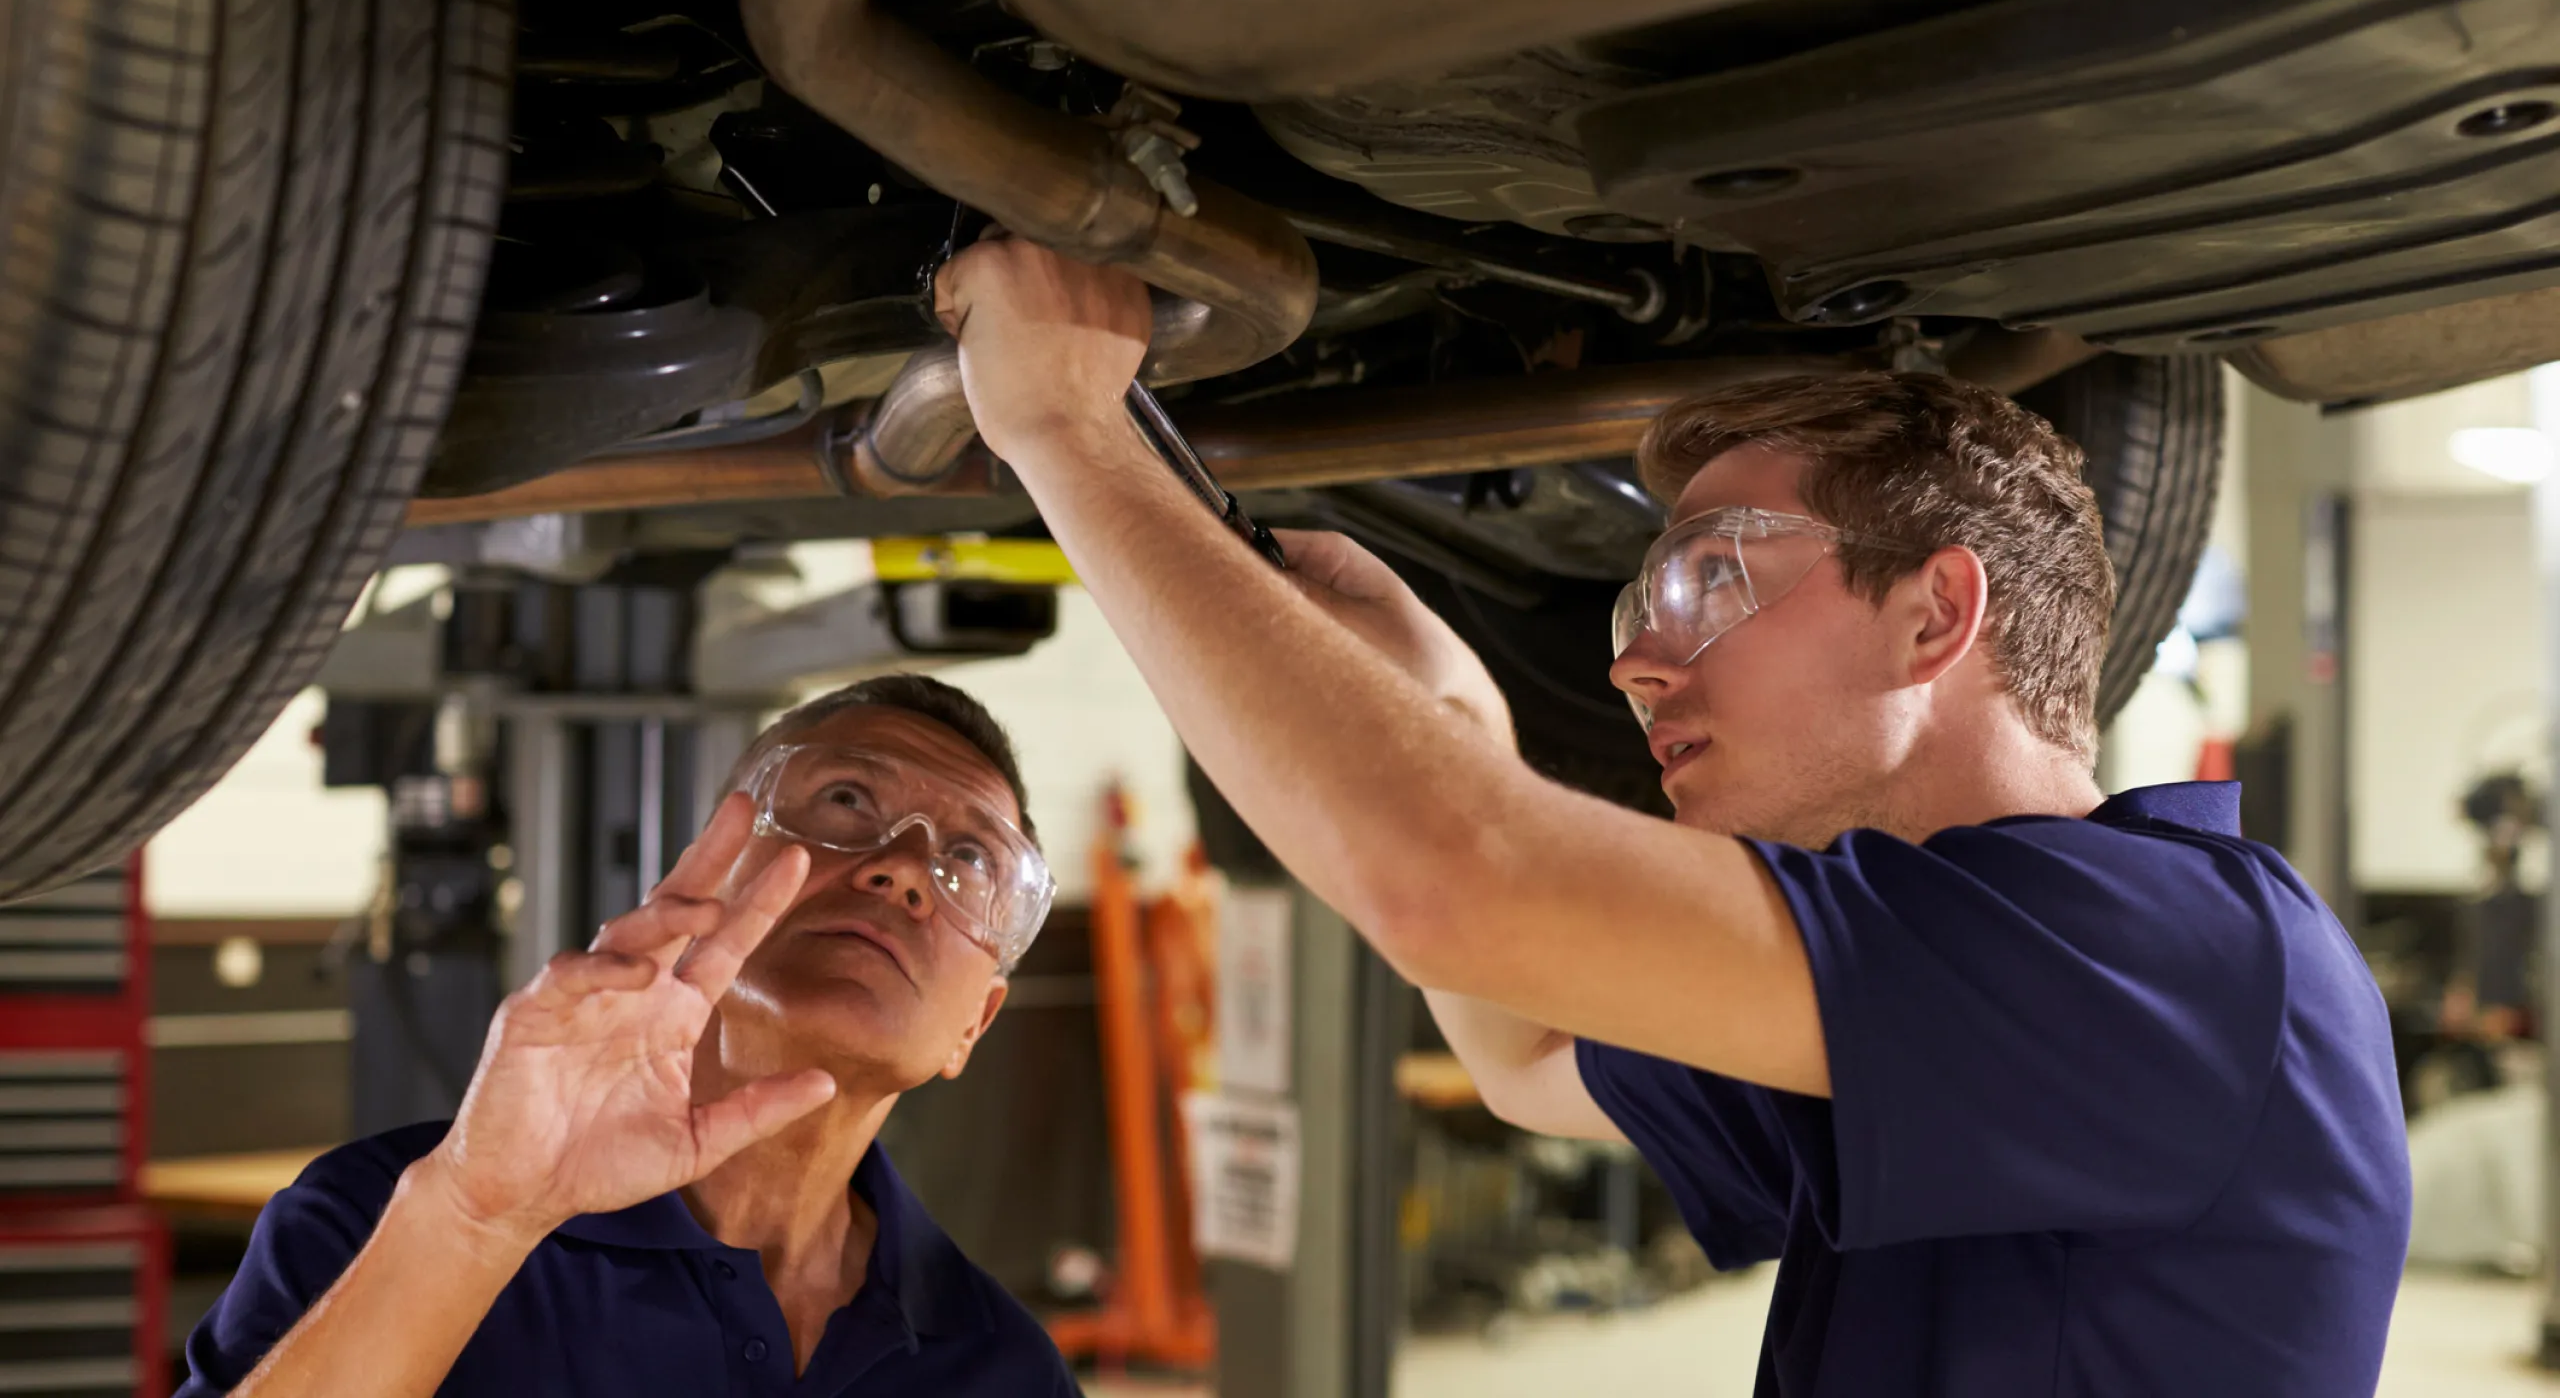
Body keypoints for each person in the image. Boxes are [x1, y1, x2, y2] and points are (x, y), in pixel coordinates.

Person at [933, 240, 2413, 1396]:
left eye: (1709, 579)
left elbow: (1463, 890)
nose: (1633, 658)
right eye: (1644, 600)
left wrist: (1068, 427)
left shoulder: (2175, 953)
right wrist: (1446, 710)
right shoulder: (1950, 988)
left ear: (1932, 616)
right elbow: (1528, 1052)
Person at [180, 675, 1079, 1397]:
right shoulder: (380, 1224)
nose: (903, 868)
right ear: (707, 879)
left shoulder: (1001, 1367)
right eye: (847, 798)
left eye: (970, 860)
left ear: (974, 1025)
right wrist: (474, 1219)